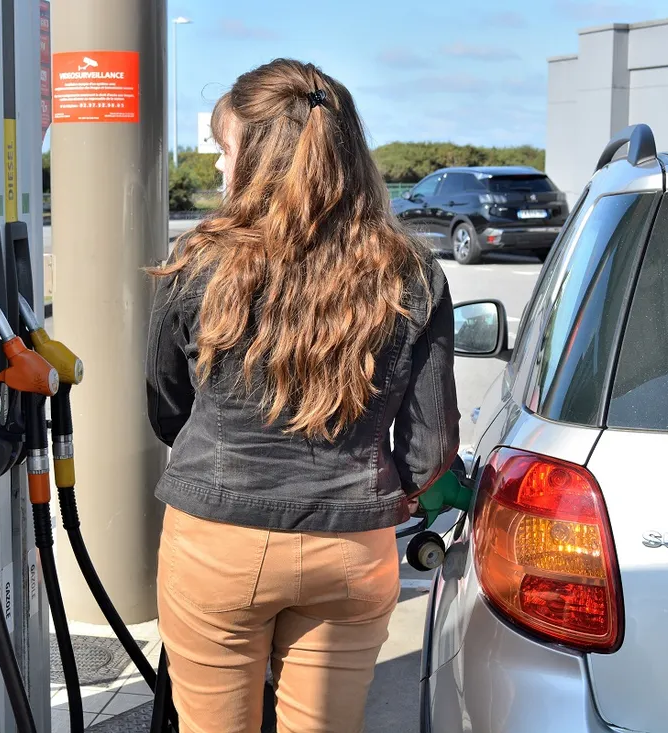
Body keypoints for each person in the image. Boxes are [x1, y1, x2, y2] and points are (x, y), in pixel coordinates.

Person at [145, 58, 460, 733]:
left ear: (254, 159)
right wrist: (374, 492)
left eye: (226, 152)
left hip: (214, 540)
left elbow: (167, 406)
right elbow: (433, 450)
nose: (222, 172)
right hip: (351, 544)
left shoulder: (200, 259)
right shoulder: (412, 271)